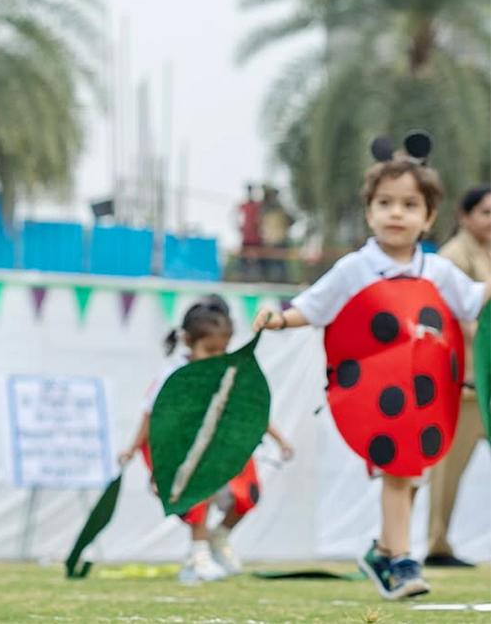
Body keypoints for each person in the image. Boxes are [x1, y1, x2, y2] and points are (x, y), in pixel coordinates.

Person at [254, 152, 491, 601]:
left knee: (408, 474)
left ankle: (382, 551)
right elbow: (313, 306)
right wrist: (279, 319)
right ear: (369, 211)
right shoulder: (354, 269)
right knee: (399, 473)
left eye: (408, 204)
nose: (396, 213)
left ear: (429, 217)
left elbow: (473, 302)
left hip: (423, 394)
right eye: (385, 203)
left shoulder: (438, 271)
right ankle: (402, 562)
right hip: (375, 392)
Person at [118, 296, 294, 583]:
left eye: (222, 350)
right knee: (201, 491)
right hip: (184, 452)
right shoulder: (173, 375)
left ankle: (218, 536)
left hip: (220, 447)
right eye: (209, 350)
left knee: (247, 495)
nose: (217, 356)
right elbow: (151, 415)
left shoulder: (226, 373)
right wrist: (131, 449)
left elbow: (249, 411)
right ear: (188, 341)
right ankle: (198, 554)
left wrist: (280, 439)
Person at [426, 185, 491, 567]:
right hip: (465, 384)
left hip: (488, 382)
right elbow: (465, 319)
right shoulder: (453, 257)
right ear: (464, 217)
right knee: (446, 470)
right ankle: (436, 544)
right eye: (484, 212)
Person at [259, 185, 294, 283]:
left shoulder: (280, 210)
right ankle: (266, 281)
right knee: (268, 264)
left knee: (280, 265)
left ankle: (282, 281)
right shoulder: (264, 210)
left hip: (279, 240)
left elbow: (291, 220)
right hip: (269, 241)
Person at [237, 184, 263, 281]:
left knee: (259, 259)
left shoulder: (258, 206)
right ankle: (242, 276)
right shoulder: (243, 206)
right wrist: (240, 228)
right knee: (243, 260)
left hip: (256, 238)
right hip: (247, 238)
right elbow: (237, 218)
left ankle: (258, 277)